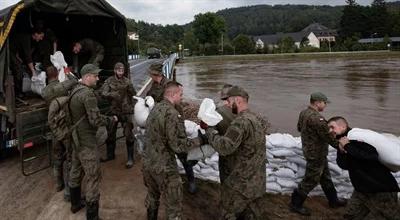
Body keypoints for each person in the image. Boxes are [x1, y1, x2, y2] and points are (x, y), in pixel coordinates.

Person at [199, 86, 266, 219]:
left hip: (240, 184)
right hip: (257, 181)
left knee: (228, 213)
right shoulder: (254, 119)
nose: (228, 105)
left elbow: (224, 147)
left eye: (229, 102)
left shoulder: (240, 122)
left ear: (238, 101)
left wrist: (210, 130)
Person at [143, 81, 199, 220]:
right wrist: (199, 141)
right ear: (172, 94)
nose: (182, 97)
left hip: (148, 163)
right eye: (180, 94)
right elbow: (177, 145)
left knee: (152, 196)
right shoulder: (171, 113)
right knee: (174, 205)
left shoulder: (155, 109)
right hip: (164, 167)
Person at [68, 64, 117, 220]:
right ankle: (92, 216)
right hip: (87, 141)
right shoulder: (87, 95)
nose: (97, 78)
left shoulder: (74, 90)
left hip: (76, 139)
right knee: (93, 176)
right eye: (95, 76)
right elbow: (95, 120)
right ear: (87, 76)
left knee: (76, 169)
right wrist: (110, 120)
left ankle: (75, 204)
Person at [328, 116, 400, 220]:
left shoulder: (356, 139)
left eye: (332, 127)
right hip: (361, 190)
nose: (330, 130)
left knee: (390, 217)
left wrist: (348, 146)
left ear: (343, 126)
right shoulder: (344, 143)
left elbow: (371, 155)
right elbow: (343, 165)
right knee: (350, 216)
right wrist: (341, 151)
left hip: (382, 190)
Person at [290, 92, 346, 216]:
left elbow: (299, 128)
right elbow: (328, 137)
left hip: (310, 150)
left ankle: (333, 200)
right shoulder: (318, 119)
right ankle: (295, 203)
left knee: (325, 177)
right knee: (311, 179)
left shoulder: (304, 113)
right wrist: (341, 146)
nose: (325, 105)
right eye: (324, 103)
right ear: (317, 102)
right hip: (316, 154)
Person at [146, 63, 197, 193]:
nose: (150, 75)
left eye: (151, 73)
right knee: (166, 148)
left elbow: (177, 103)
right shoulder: (155, 85)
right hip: (163, 120)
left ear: (155, 73)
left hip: (174, 119)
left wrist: (179, 121)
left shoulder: (169, 84)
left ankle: (191, 180)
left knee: (182, 152)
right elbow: (150, 95)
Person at [42, 66, 78, 201]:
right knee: (69, 159)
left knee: (57, 158)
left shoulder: (44, 91)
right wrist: (67, 72)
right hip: (66, 127)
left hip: (54, 128)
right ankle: (69, 191)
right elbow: (74, 80)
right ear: (57, 74)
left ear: (47, 76)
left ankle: (58, 184)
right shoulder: (62, 86)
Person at [100, 62, 136, 168]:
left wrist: (133, 105)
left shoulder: (127, 81)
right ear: (115, 70)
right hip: (113, 111)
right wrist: (111, 94)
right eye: (119, 70)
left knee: (128, 134)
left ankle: (130, 158)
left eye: (122, 70)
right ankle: (110, 155)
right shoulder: (109, 81)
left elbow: (133, 94)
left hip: (125, 111)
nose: (121, 72)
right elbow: (103, 93)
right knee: (110, 133)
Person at [9, 26, 44, 96]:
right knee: (18, 68)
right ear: (36, 34)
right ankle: (17, 92)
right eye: (41, 36)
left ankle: (21, 90)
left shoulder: (33, 41)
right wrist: (33, 71)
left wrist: (18, 56)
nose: (41, 38)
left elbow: (23, 50)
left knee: (22, 66)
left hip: (15, 52)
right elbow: (28, 56)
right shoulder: (26, 38)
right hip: (9, 51)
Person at [214, 84, 236, 184]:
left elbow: (212, 131)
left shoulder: (217, 110)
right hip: (238, 148)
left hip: (225, 148)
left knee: (225, 175)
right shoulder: (239, 109)